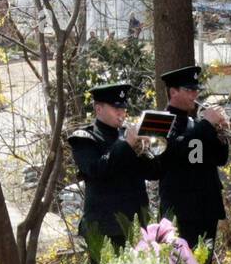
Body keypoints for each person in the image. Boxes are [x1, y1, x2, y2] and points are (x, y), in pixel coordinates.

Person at [66, 82, 164, 254]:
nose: (122, 112)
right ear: (98, 109)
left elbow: (154, 172)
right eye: (115, 107)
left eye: (123, 108)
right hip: (105, 228)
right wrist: (126, 144)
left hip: (137, 226)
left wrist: (146, 150)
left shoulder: (129, 137)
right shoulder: (84, 139)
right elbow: (96, 170)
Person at [157, 65, 230, 264]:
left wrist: (221, 134)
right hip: (182, 208)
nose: (194, 95)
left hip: (206, 205)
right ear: (173, 92)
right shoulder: (161, 121)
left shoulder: (194, 122)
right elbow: (175, 149)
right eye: (189, 90)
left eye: (195, 90)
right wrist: (206, 126)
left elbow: (219, 159)